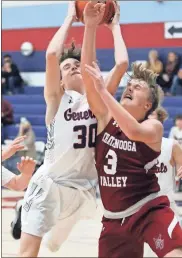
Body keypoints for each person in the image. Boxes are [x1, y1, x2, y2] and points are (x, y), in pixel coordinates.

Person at [18, 2, 128, 257]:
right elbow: (51, 56)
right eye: (67, 68)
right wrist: (70, 17)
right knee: (29, 251)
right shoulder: (57, 99)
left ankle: (31, 219)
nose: (73, 67)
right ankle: (23, 214)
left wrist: (114, 26)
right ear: (61, 80)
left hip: (83, 191)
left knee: (55, 244)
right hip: (50, 184)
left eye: (77, 64)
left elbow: (121, 64)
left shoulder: (99, 100)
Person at [81, 3, 182, 257]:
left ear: (148, 104)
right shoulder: (104, 118)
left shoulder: (153, 126)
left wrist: (104, 91)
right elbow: (93, 69)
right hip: (113, 219)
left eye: (138, 87)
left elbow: (134, 132)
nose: (130, 86)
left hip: (148, 210)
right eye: (131, 84)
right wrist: (93, 27)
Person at [144, 107, 182, 257]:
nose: (148, 118)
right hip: (141, 207)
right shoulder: (133, 144)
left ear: (160, 119)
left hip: (165, 205)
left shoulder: (171, 145)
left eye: (151, 114)